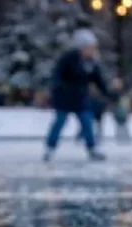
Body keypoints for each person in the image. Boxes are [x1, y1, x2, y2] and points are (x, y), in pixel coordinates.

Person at [43, 28, 112, 162]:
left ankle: (92, 149)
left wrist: (107, 93)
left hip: (80, 99)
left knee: (87, 122)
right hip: (64, 98)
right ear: (82, 46)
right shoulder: (68, 59)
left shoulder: (91, 62)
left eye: (92, 47)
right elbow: (57, 75)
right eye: (89, 47)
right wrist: (60, 87)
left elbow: (98, 79)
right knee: (60, 122)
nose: (91, 50)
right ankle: (49, 148)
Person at [111, 77, 131, 144]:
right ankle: (121, 139)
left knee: (123, 126)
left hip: (122, 111)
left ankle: (125, 139)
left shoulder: (122, 93)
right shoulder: (114, 93)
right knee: (119, 126)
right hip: (118, 111)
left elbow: (125, 102)